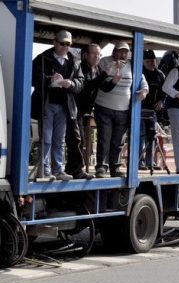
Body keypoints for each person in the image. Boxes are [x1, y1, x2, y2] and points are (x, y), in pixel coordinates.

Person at [31, 29, 85, 181]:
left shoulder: (75, 61)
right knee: (46, 138)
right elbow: (32, 78)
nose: (65, 47)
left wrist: (71, 83)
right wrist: (50, 80)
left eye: (68, 44)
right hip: (46, 104)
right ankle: (45, 170)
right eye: (62, 43)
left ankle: (58, 170)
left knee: (59, 140)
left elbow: (81, 83)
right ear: (54, 42)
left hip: (64, 106)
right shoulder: (43, 58)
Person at [94, 41, 148, 178]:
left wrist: (144, 91)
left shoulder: (132, 64)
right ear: (114, 52)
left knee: (118, 141)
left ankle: (115, 168)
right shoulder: (105, 62)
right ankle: (101, 167)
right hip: (104, 107)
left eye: (126, 51)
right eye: (120, 51)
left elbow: (142, 80)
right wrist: (112, 73)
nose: (123, 54)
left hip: (123, 109)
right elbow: (99, 82)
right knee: (104, 139)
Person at [75, 43, 106, 177]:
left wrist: (114, 80)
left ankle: (80, 168)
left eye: (99, 54)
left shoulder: (98, 69)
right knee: (78, 139)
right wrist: (104, 76)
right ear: (85, 55)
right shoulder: (80, 67)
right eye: (94, 53)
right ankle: (77, 170)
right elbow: (86, 87)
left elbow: (103, 87)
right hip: (76, 108)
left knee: (88, 140)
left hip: (88, 110)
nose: (97, 57)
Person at [139, 49, 166, 171]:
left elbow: (164, 91)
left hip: (153, 112)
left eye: (153, 61)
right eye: (149, 61)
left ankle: (150, 162)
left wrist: (161, 101)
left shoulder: (160, 75)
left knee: (152, 137)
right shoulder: (139, 73)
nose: (152, 63)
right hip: (139, 110)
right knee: (140, 136)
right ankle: (139, 161)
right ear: (144, 62)